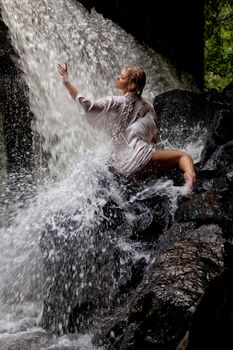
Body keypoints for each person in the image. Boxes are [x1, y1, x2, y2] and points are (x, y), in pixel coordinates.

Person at [57, 63, 196, 190]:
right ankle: (189, 181)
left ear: (132, 85)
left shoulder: (115, 102)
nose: (117, 77)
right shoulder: (148, 108)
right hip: (145, 159)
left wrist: (66, 81)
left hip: (124, 168)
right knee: (183, 156)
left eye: (122, 77)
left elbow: (87, 105)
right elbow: (154, 138)